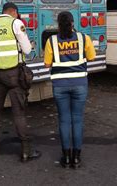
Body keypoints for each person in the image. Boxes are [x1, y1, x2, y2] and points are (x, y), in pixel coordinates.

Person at [0, 2, 41, 162]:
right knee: (19, 113)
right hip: (14, 74)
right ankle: (25, 151)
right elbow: (28, 50)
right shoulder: (16, 23)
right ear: (14, 12)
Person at [44, 11, 96, 169]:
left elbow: (47, 64)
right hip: (80, 84)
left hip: (60, 86)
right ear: (73, 23)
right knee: (78, 120)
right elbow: (92, 57)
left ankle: (66, 158)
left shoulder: (51, 41)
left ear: (58, 24)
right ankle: (77, 159)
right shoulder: (83, 38)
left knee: (64, 120)